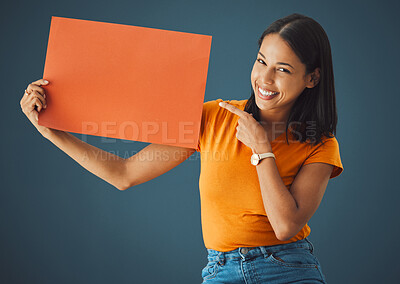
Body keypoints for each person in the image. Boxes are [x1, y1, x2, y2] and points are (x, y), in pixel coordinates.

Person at [20, 13, 343, 284]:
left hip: (287, 268)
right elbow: (125, 173)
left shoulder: (320, 144)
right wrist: (50, 131)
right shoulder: (213, 117)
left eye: (283, 69)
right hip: (220, 271)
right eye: (262, 61)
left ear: (312, 78)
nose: (265, 78)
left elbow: (286, 225)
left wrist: (262, 149)